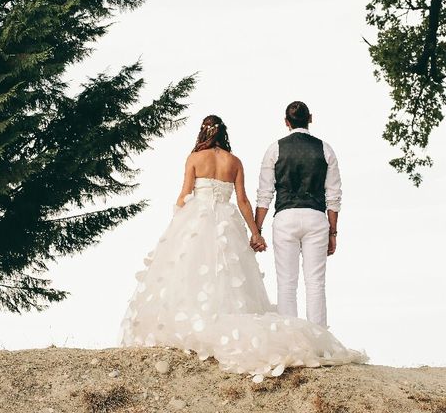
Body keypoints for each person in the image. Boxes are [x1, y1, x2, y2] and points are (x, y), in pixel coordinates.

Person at [119, 115, 366, 382]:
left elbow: (184, 195)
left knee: (192, 272)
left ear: (203, 132)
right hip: (230, 221)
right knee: (255, 277)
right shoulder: (234, 162)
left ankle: (204, 324)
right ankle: (314, 336)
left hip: (198, 221)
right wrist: (255, 232)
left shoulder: (194, 159)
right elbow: (244, 200)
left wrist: (179, 220)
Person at [254, 101, 340, 328]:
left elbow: (265, 194)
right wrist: (333, 232)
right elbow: (333, 196)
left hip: (285, 218)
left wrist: (257, 229)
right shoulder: (326, 149)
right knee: (315, 283)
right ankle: (319, 341)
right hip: (315, 217)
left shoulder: (274, 149)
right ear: (310, 118)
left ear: (286, 122)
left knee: (286, 283)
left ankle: (290, 339)